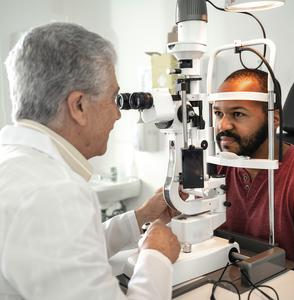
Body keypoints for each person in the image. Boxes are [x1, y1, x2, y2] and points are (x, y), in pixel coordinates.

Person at [0, 22, 181, 300]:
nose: (118, 115)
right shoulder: (52, 191)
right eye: (113, 98)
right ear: (79, 106)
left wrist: (140, 217)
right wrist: (156, 256)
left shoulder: (16, 163)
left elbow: (64, 251)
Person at [213, 68, 294, 263]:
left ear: (274, 118)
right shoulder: (217, 168)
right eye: (218, 113)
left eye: (237, 114)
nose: (223, 125)